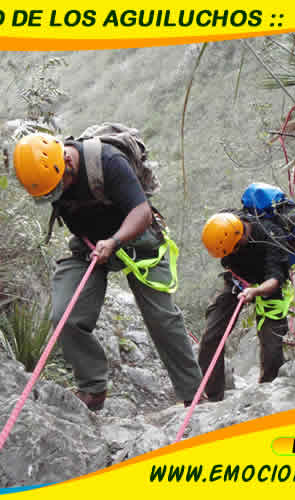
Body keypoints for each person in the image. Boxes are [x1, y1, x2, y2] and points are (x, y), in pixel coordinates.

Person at [13, 132, 204, 411]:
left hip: (138, 239)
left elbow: (142, 213)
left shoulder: (108, 161)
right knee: (65, 313)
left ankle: (193, 393)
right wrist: (100, 245)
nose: (59, 193)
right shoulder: (47, 177)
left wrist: (114, 242)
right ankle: (93, 389)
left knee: (162, 318)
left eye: (60, 185)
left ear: (66, 160)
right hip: (90, 245)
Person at [199, 211, 292, 402]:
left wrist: (254, 292)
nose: (232, 253)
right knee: (211, 336)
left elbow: (275, 280)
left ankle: (266, 394)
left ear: (240, 235)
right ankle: (213, 396)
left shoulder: (271, 236)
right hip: (238, 281)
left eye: (234, 248)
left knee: (272, 343)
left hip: (269, 286)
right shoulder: (226, 226)